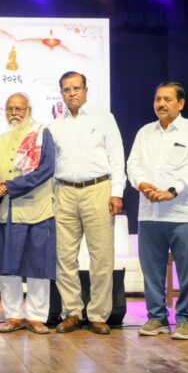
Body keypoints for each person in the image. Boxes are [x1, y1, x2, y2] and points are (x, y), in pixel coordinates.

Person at [127, 83, 188, 340]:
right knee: (152, 272)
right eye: (157, 99)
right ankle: (157, 317)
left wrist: (172, 191)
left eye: (167, 99)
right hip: (149, 212)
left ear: (181, 103)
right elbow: (133, 164)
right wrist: (142, 184)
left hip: (182, 213)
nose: (161, 104)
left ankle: (186, 320)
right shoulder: (144, 132)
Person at [48, 71, 126, 335]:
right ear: (61, 93)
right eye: (66, 89)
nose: (71, 93)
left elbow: (117, 156)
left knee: (101, 257)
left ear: (86, 90)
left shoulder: (103, 118)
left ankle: (97, 314)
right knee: (64, 257)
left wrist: (117, 192)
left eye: (76, 88)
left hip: (98, 190)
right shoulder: (55, 125)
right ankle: (72, 312)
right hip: (64, 192)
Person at [0, 93, 56, 335]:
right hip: (6, 213)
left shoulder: (41, 134)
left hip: (36, 211)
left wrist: (12, 186)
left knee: (38, 266)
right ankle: (13, 316)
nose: (14, 113)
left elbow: (47, 169)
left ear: (29, 110)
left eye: (19, 108)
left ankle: (37, 317)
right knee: (7, 268)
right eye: (10, 109)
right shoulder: (0, 139)